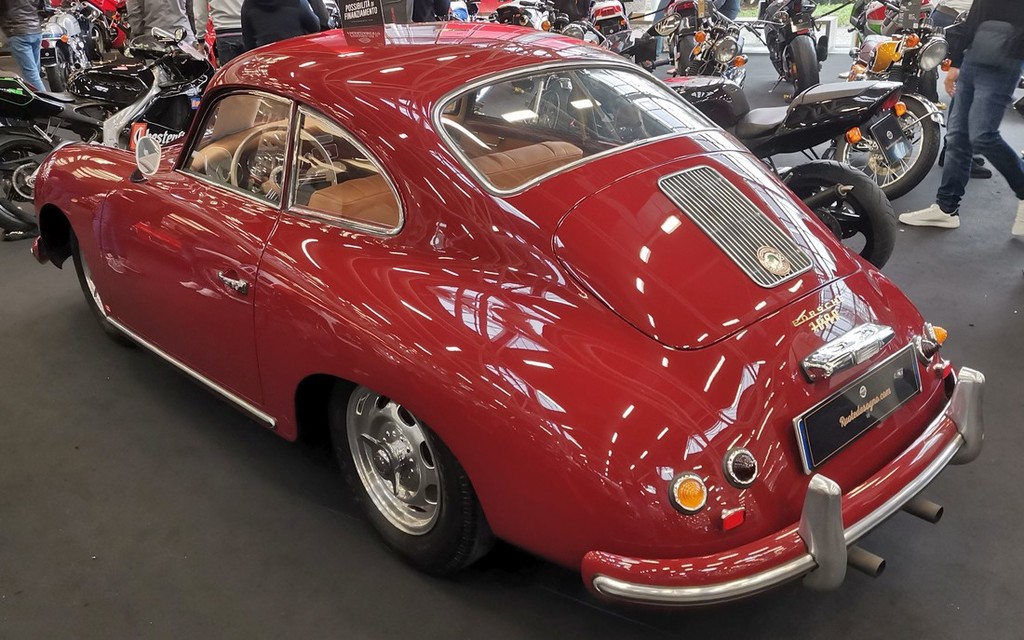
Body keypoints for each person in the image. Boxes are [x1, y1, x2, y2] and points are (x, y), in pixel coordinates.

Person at [898, 0, 1024, 234]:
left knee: (983, 135)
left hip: (1006, 58)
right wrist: (957, 62)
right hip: (975, 54)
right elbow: (977, 12)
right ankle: (946, 208)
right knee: (957, 137)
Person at [0, 0, 46, 92]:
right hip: (35, 30)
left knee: (31, 75)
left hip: (18, 32)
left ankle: (46, 99)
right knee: (35, 73)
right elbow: (42, 5)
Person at [241, 0, 319, 51]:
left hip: (266, 58)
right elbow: (315, 27)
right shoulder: (297, 2)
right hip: (295, 55)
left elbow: (248, 42)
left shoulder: (248, 4)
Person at [126, 0, 196, 40]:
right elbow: (192, 11)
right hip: (184, 37)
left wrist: (139, 37)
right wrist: (196, 36)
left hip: (155, 40)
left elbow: (134, 13)